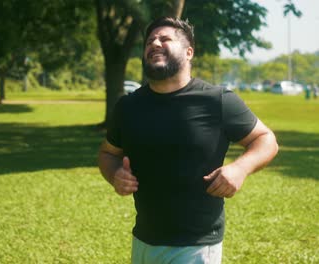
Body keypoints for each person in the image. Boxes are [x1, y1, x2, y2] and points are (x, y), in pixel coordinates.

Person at [97, 17, 278, 264]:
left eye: (165, 39)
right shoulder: (128, 107)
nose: (155, 43)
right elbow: (108, 154)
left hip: (196, 246)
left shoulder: (218, 100)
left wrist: (240, 168)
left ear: (189, 52)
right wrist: (115, 173)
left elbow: (266, 139)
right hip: (143, 241)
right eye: (150, 41)